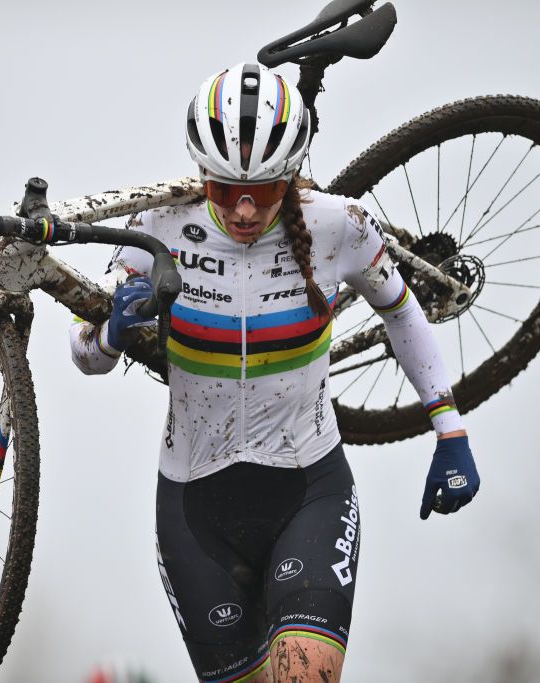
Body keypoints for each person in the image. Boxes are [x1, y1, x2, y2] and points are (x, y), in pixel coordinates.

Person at [70, 62, 480, 683]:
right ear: (201, 173)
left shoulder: (338, 224)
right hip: (194, 510)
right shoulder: (155, 228)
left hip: (308, 489)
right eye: (223, 190)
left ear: (290, 176)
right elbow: (85, 357)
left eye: (263, 193)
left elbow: (402, 313)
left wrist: (449, 429)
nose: (242, 210)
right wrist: (111, 334)